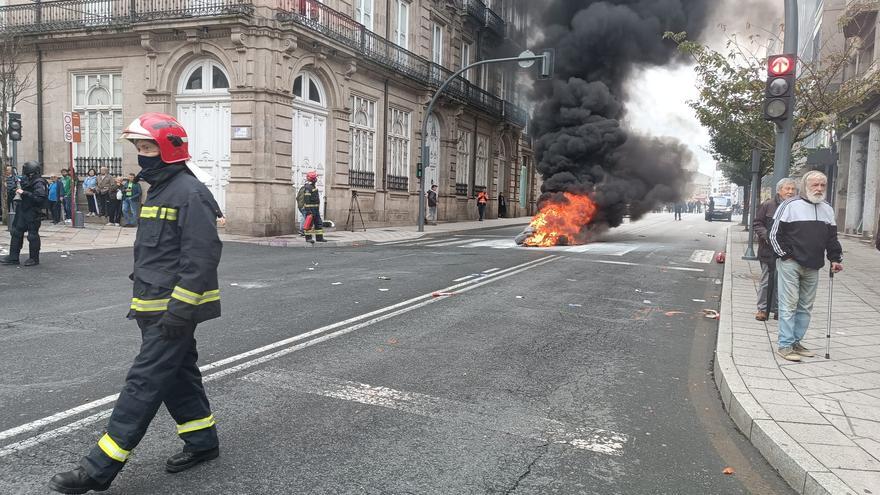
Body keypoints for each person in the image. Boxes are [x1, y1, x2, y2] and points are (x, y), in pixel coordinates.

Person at [49, 113, 223, 494]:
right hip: (150, 303)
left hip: (170, 308)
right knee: (178, 375)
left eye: (147, 147)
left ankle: (98, 469)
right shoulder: (158, 189)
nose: (141, 154)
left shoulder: (190, 193)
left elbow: (202, 257)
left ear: (168, 149)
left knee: (143, 382)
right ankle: (202, 441)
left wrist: (180, 309)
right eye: (138, 147)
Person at [769, 171, 843, 362]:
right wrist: (785, 256)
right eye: (814, 185)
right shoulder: (789, 205)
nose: (819, 189)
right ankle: (785, 345)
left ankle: (795, 341)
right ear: (805, 186)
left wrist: (835, 259)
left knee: (805, 306)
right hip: (791, 263)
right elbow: (774, 234)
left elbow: (831, 239)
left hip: (814, 264)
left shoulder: (827, 209)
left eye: (822, 185)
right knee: (788, 304)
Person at [753, 178, 797, 321]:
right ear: (779, 190)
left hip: (787, 251)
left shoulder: (796, 207)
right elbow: (757, 223)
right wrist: (767, 235)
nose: (790, 192)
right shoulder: (768, 205)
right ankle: (762, 309)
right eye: (787, 189)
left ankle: (779, 309)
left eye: (792, 189)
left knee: (783, 282)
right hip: (768, 250)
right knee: (767, 280)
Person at [1, 161, 47, 267]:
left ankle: (34, 258)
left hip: (33, 211)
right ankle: (13, 257)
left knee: (32, 235)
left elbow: (40, 198)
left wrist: (24, 192)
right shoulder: (28, 180)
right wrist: (15, 190)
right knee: (16, 232)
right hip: (23, 210)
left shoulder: (39, 182)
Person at [302, 170, 326, 243]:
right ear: (312, 179)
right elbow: (306, 200)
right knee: (309, 224)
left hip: (315, 210)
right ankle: (308, 238)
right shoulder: (308, 188)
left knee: (318, 223)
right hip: (311, 210)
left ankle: (319, 238)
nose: (316, 179)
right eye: (315, 178)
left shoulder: (312, 186)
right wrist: (309, 211)